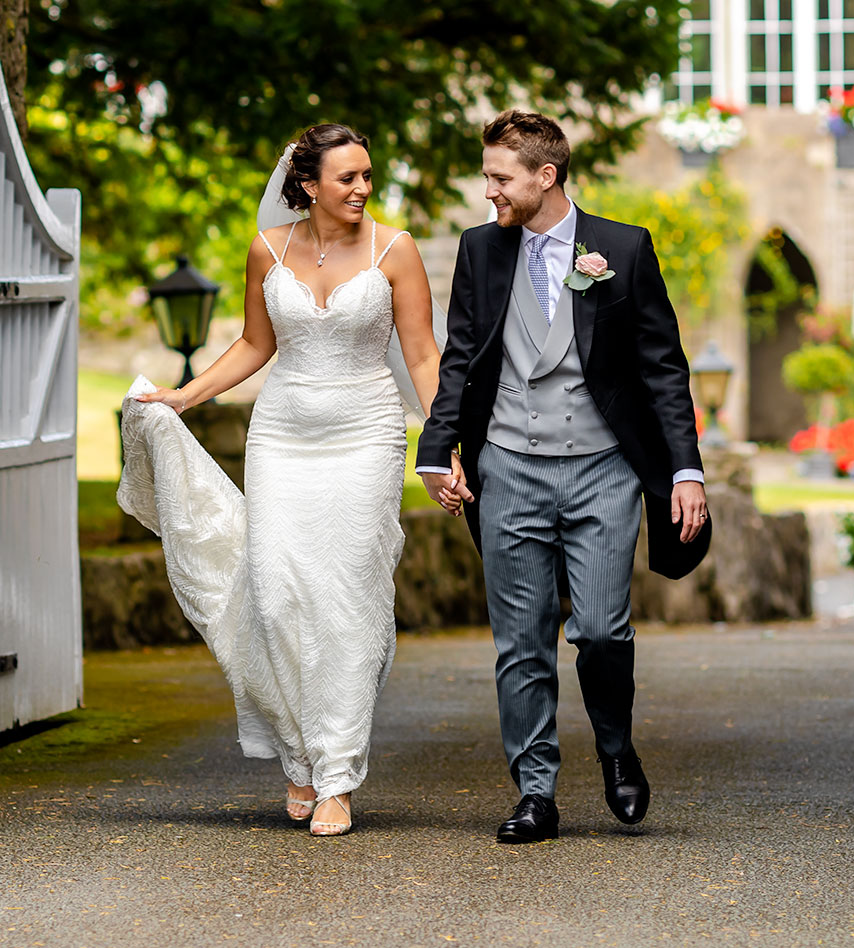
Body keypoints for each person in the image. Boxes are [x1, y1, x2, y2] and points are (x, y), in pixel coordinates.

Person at [118, 123, 445, 836]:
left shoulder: (397, 250)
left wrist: (446, 442)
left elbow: (421, 356)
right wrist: (183, 396)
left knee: (349, 595)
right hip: (283, 438)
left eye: (367, 175)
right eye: (347, 177)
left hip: (365, 435)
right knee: (274, 591)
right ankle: (297, 750)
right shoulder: (267, 250)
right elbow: (255, 345)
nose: (362, 188)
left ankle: (336, 774)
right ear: (306, 185)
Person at [417, 109, 713, 844]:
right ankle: (536, 791)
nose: (488, 191)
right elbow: (460, 357)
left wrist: (684, 469)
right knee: (521, 640)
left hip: (603, 472)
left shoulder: (622, 248)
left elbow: (662, 369)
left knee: (605, 629)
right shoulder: (480, 250)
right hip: (509, 468)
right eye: (488, 176)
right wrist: (437, 448)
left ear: (545, 177)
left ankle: (615, 747)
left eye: (499, 177)